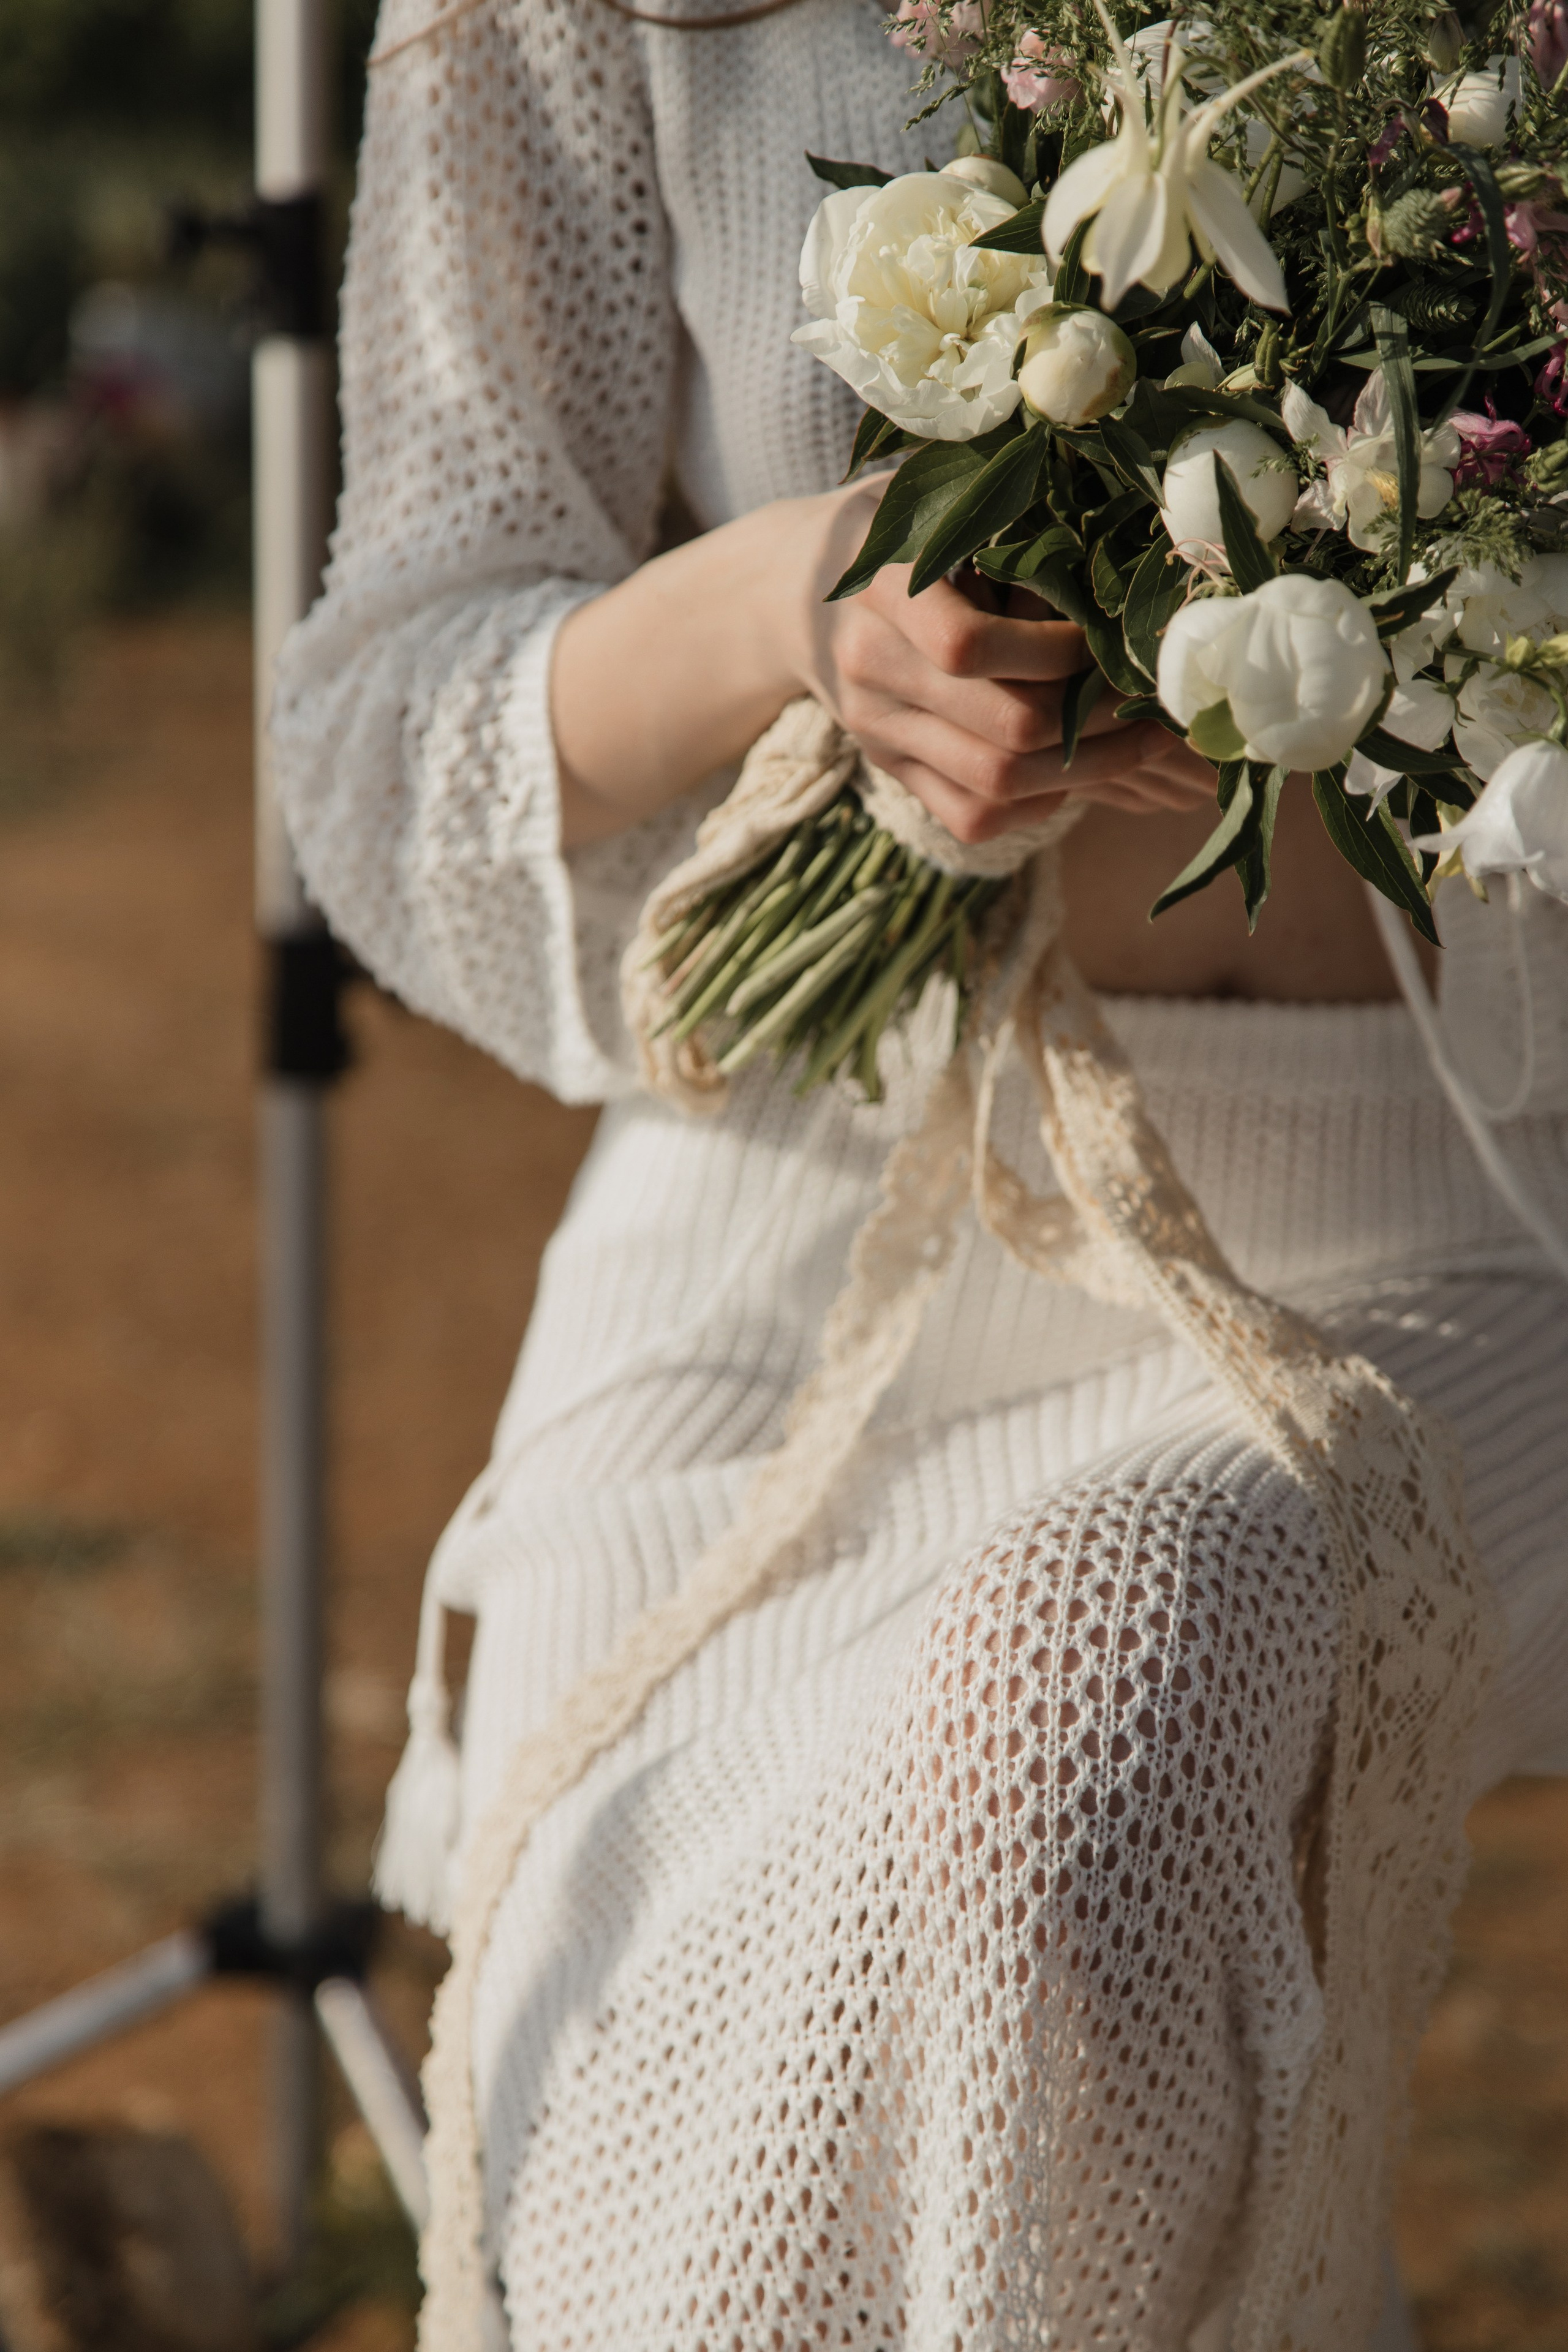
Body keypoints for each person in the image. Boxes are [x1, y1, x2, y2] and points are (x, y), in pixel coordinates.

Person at [271, 0, 1568, 2343]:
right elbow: (391, 710)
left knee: (1075, 1711)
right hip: (811, 1182)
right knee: (688, 2083)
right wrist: (810, 607)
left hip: (1440, 1202)